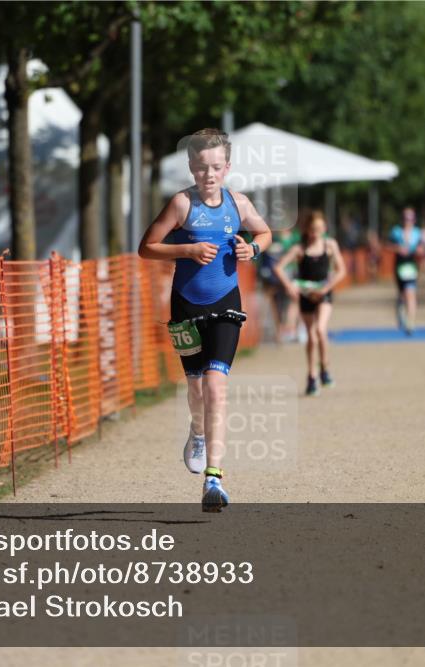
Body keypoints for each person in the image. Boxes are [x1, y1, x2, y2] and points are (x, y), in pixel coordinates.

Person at [138, 128, 272, 512]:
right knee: (196, 390)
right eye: (201, 168)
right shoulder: (181, 205)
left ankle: (214, 478)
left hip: (226, 303)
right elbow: (147, 248)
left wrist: (254, 248)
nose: (208, 175)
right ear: (191, 168)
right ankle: (197, 432)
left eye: (215, 167)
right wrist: (188, 249)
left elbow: (264, 233)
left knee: (216, 387)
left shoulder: (239, 203)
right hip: (186, 307)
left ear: (227, 168)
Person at [273, 209, 347, 396]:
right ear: (307, 229)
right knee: (311, 336)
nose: (316, 233)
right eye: (313, 229)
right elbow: (279, 267)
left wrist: (326, 287)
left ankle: (325, 367)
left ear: (325, 228)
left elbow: (341, 270)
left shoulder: (330, 245)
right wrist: (290, 287)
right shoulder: (300, 249)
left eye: (320, 229)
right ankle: (312, 375)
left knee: (321, 330)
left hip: (323, 293)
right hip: (306, 295)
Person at [388, 207, 423, 335]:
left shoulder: (417, 233)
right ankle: (400, 311)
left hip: (411, 265)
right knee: (402, 294)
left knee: (411, 293)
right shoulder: (395, 232)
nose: (408, 221)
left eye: (410, 218)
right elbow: (388, 245)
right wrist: (398, 248)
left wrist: (419, 251)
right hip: (399, 266)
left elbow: (422, 248)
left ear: (414, 220)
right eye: (405, 218)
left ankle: (411, 323)